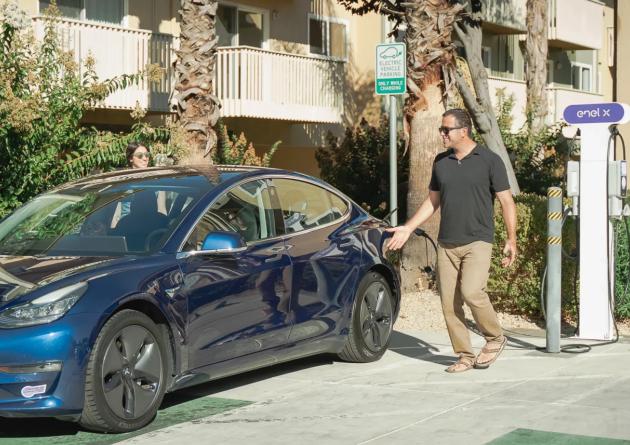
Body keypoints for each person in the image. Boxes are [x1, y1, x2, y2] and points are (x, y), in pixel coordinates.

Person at [386, 108, 517, 373]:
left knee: (472, 292)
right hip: (446, 243)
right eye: (441, 129)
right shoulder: (441, 161)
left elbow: (506, 200)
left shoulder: (489, 160)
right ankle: (465, 355)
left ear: (463, 131)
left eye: (446, 130)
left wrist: (511, 239)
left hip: (478, 240)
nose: (442, 134)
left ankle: (495, 337)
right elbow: (433, 201)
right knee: (449, 303)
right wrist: (408, 228)